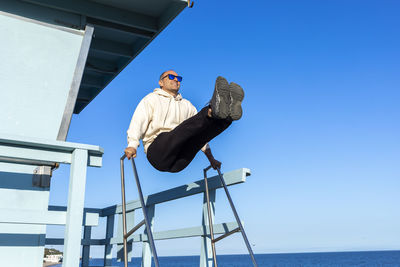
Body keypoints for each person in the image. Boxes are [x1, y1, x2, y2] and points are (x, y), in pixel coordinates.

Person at [124, 70, 244, 173]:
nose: (176, 80)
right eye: (171, 77)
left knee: (199, 132)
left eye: (179, 78)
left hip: (179, 162)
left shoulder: (187, 105)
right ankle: (212, 109)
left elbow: (200, 132)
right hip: (158, 153)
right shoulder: (151, 99)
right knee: (184, 129)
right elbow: (138, 121)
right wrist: (132, 145)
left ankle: (227, 117)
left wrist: (211, 159)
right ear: (161, 82)